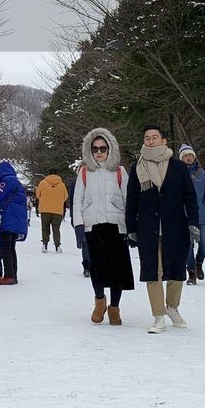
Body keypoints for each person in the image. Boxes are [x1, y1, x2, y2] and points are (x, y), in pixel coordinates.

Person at [126, 125, 198, 333]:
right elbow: (131, 200)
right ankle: (158, 315)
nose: (150, 141)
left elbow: (189, 196)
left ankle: (172, 307)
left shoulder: (178, 167)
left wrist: (193, 221)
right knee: (152, 271)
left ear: (164, 141)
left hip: (175, 226)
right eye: (147, 138)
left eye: (154, 137)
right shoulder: (137, 167)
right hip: (148, 227)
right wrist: (131, 226)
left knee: (176, 270)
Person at [72, 128, 134, 325]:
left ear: (110, 149)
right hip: (93, 226)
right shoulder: (84, 172)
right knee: (96, 268)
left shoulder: (119, 171)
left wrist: (131, 226)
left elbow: (128, 199)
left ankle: (114, 307)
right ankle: (100, 301)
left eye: (103, 148)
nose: (99, 152)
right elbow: (77, 200)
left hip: (116, 226)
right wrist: (79, 225)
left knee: (117, 270)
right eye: (95, 148)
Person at [0, 161, 28, 285]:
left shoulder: (7, 180)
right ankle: (13, 274)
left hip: (8, 220)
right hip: (16, 221)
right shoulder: (17, 182)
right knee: (11, 248)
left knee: (5, 248)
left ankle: (9, 276)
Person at [179, 145, 205, 284]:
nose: (188, 158)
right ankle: (191, 272)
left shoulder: (202, 174)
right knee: (188, 245)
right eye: (185, 156)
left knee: (204, 242)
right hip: (184, 216)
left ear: (194, 157)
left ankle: (199, 262)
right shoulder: (178, 174)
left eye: (190, 155)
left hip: (201, 215)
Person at [67, 161, 92, 277]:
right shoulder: (76, 183)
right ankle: (87, 266)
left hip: (90, 216)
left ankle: (90, 266)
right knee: (86, 242)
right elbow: (74, 202)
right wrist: (74, 218)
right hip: (82, 217)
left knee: (87, 243)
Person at [35, 171, 69, 253]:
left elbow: (37, 194)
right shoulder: (62, 184)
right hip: (57, 210)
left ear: (48, 174)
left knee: (45, 228)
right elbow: (65, 196)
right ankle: (57, 246)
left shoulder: (42, 183)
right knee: (56, 229)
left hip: (45, 209)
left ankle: (45, 245)